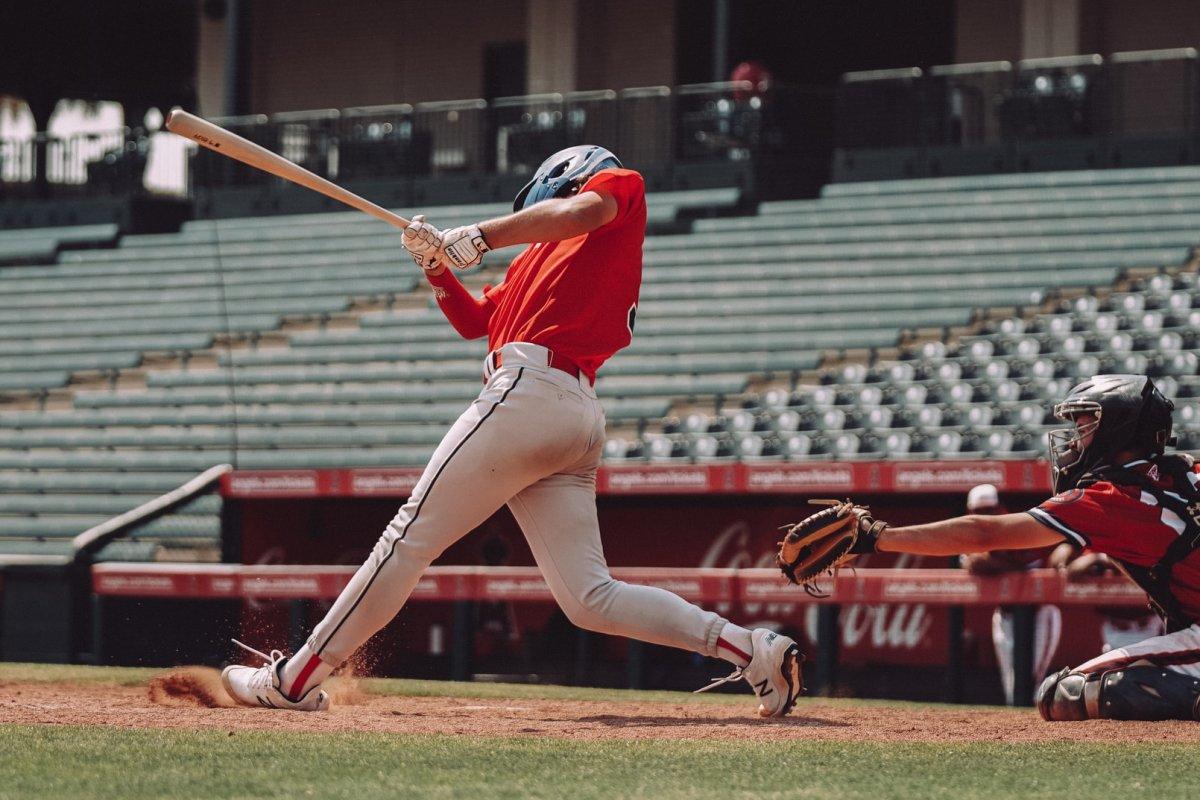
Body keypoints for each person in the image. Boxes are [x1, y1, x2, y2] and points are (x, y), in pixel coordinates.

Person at [220, 145, 803, 717]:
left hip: (531, 395)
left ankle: (293, 680)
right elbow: (476, 321)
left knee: (407, 539)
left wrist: (479, 234)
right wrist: (434, 265)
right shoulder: (535, 260)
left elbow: (577, 213)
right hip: (566, 414)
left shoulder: (615, 187)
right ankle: (752, 649)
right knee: (590, 598)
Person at [813, 375, 1200, 720]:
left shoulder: (1116, 495)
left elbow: (984, 534)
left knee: (1062, 693)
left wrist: (878, 536)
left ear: (1120, 432)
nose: (1076, 440)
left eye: (1086, 427)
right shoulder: (1183, 470)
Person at [959, 484, 1062, 705]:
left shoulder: (1018, 525)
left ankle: (1039, 737)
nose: (984, 517)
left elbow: (1024, 563)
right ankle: (1017, 736)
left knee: (1031, 685)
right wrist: (1001, 562)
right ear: (970, 513)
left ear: (999, 509)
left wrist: (995, 562)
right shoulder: (968, 531)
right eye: (978, 512)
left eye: (989, 510)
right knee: (1011, 688)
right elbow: (973, 563)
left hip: (1039, 615)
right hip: (1005, 616)